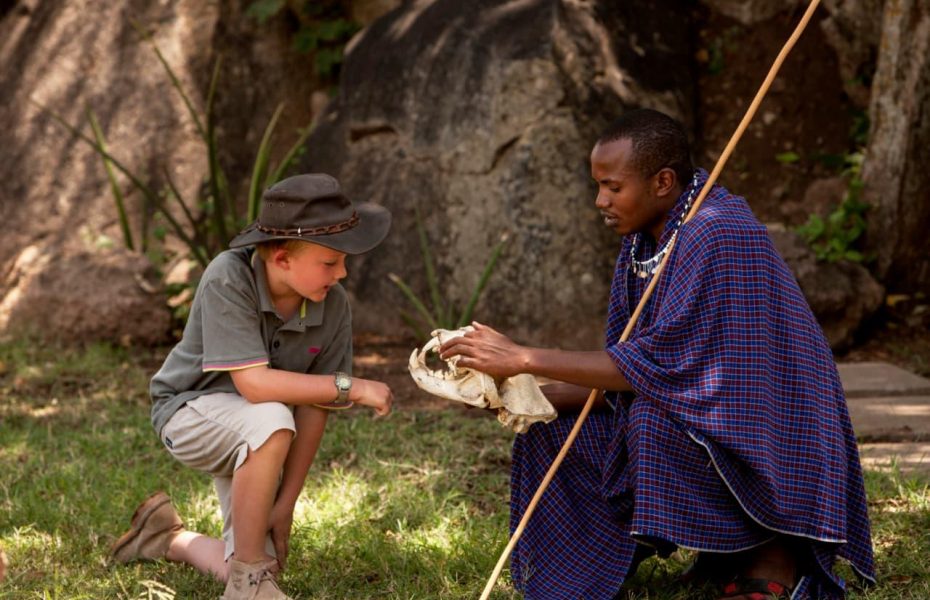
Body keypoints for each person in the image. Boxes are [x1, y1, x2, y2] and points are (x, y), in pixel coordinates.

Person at [439, 109, 875, 600]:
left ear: (663, 181)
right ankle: (594, 571)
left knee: (648, 423)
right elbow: (639, 369)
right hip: (692, 410)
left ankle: (771, 550)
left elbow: (661, 370)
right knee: (549, 425)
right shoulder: (647, 236)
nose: (600, 200)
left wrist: (523, 358)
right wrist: (517, 393)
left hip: (767, 441)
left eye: (612, 187)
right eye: (597, 185)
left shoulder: (714, 232)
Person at [111, 173, 394, 600]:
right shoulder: (229, 276)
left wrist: (286, 502)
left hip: (257, 433)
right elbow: (256, 386)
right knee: (271, 419)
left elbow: (315, 406)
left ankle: (165, 538)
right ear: (282, 259)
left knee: (266, 562)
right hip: (189, 413)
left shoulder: (331, 303)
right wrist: (351, 387)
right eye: (330, 262)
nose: (342, 273)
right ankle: (246, 580)